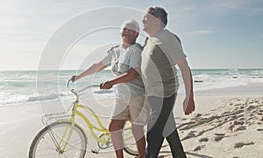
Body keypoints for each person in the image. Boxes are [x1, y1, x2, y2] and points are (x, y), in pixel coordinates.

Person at [70, 20, 148, 158]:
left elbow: (132, 74)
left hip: (137, 95)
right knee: (114, 128)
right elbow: (98, 66)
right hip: (121, 96)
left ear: (136, 34)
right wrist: (79, 76)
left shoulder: (136, 50)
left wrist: (111, 82)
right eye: (124, 29)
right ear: (120, 32)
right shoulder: (115, 51)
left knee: (137, 130)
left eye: (131, 30)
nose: (127, 31)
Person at [141, 6, 195, 158]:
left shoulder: (167, 37)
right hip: (152, 94)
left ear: (158, 20)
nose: (143, 20)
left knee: (153, 136)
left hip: (164, 94)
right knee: (169, 130)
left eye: (146, 17)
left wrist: (189, 97)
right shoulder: (149, 40)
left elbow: (184, 67)